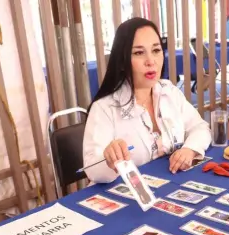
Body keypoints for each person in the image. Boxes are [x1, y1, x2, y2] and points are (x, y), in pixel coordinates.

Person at [83, 18, 211, 183]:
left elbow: (200, 127)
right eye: (138, 53)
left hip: (168, 187)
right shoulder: (104, 108)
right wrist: (108, 160)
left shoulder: (169, 91)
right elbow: (92, 169)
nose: (151, 61)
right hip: (124, 196)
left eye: (156, 50)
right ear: (122, 62)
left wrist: (189, 149)